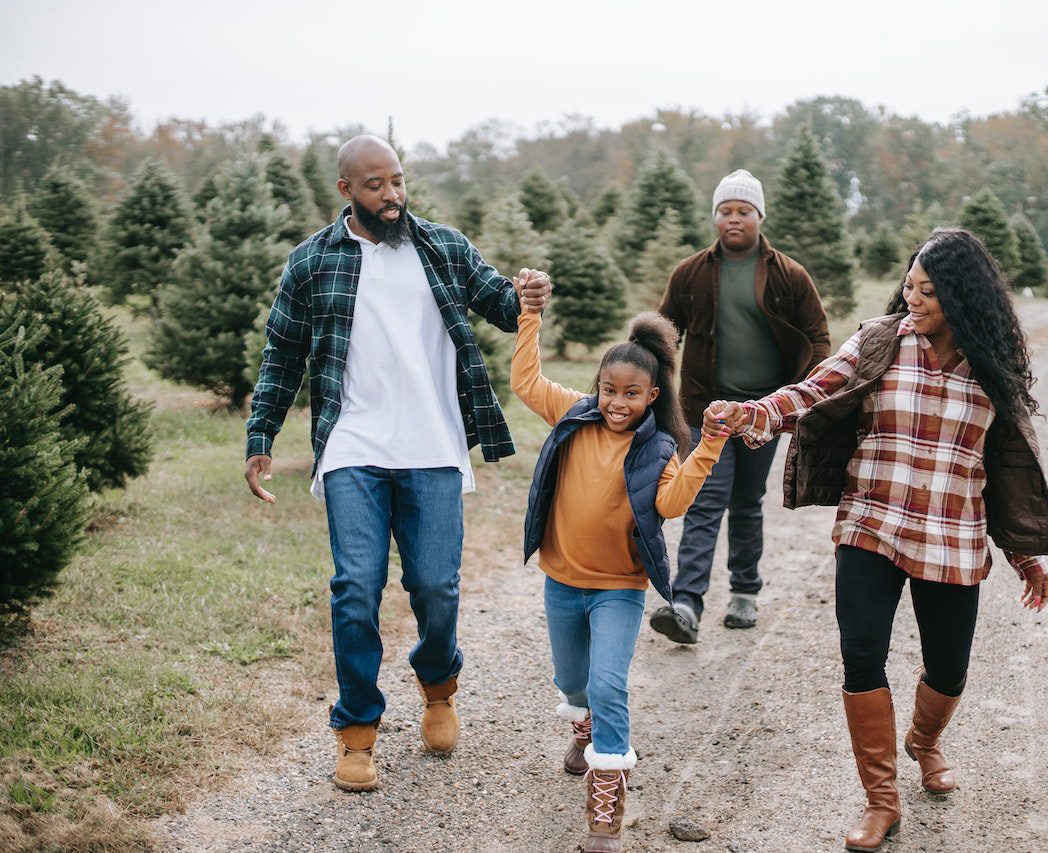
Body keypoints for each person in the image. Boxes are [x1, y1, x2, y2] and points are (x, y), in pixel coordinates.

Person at [715, 228, 1048, 852]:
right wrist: (755, 413)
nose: (914, 299)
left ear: (962, 297)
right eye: (909, 285)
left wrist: (1023, 554)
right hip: (870, 524)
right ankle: (881, 801)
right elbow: (814, 390)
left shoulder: (991, 366)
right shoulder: (883, 340)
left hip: (952, 537)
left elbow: (1005, 471)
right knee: (862, 657)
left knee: (950, 671)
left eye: (929, 291)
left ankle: (924, 742)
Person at [243, 135, 552, 793]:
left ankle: (438, 685)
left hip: (432, 445)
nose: (392, 195)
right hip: (352, 444)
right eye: (376, 185)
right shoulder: (311, 262)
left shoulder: (440, 245)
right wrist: (261, 434)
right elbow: (282, 354)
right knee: (356, 587)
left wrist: (527, 294)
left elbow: (499, 302)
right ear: (346, 190)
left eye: (398, 181)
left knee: (436, 587)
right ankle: (357, 733)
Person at [510, 286, 729, 853]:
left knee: (608, 685)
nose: (617, 402)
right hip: (562, 579)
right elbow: (527, 383)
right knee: (573, 682)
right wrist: (531, 315)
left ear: (652, 396)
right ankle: (581, 727)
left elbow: (672, 503)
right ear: (597, 388)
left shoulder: (659, 449)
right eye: (609, 390)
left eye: (632, 394)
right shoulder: (574, 417)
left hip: (619, 589)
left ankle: (606, 800)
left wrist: (708, 446)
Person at [650, 169, 830, 643]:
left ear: (759, 216)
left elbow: (817, 337)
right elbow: (664, 336)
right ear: (715, 218)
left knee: (748, 501)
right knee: (705, 500)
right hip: (706, 411)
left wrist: (800, 396)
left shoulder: (788, 275)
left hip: (762, 412)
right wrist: (647, 387)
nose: (734, 219)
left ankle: (744, 592)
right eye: (726, 211)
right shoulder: (690, 273)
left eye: (743, 211)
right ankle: (685, 603)